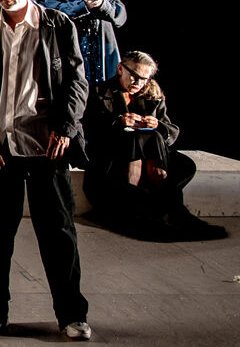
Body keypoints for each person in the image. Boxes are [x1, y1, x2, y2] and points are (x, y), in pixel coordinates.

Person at [0, 0, 91, 340]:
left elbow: (77, 83)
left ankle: (72, 315)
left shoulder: (58, 25)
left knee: (59, 236)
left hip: (46, 148)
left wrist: (66, 128)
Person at [83, 51, 225, 241]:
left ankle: (160, 197)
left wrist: (158, 125)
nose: (138, 83)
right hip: (115, 156)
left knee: (154, 137)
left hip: (152, 157)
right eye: (134, 76)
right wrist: (118, 121)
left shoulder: (152, 94)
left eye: (144, 79)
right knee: (135, 139)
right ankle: (153, 205)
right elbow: (87, 129)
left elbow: (172, 131)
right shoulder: (98, 92)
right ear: (120, 69)